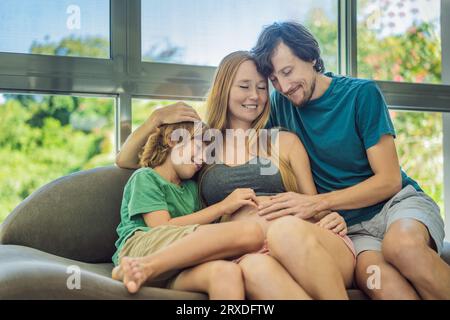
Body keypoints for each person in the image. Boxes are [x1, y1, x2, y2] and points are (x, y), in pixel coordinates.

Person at [116, 51, 356, 300]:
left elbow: (314, 205)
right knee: (253, 268)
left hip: (307, 244)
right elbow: (129, 160)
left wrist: (330, 214)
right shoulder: (204, 146)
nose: (255, 96)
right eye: (244, 86)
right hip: (250, 254)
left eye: (262, 88)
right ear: (223, 90)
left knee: (284, 232)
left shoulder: (285, 142)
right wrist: (156, 118)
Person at [251, 21, 449, 299]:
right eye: (273, 79)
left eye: (287, 71)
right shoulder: (280, 106)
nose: (283, 86)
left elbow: (389, 180)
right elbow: (228, 129)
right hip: (354, 234)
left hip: (397, 206)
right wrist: (167, 119)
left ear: (310, 57)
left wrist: (317, 203)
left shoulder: (361, 94)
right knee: (381, 283)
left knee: (402, 248)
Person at [112, 121, 266, 298]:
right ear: (172, 140)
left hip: (175, 266)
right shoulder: (146, 177)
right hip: (141, 247)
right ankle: (142, 265)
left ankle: (145, 269)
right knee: (250, 232)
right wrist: (223, 206)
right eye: (199, 148)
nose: (202, 158)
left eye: (207, 154)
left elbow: (203, 237)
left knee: (226, 273)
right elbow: (161, 226)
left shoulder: (191, 188)